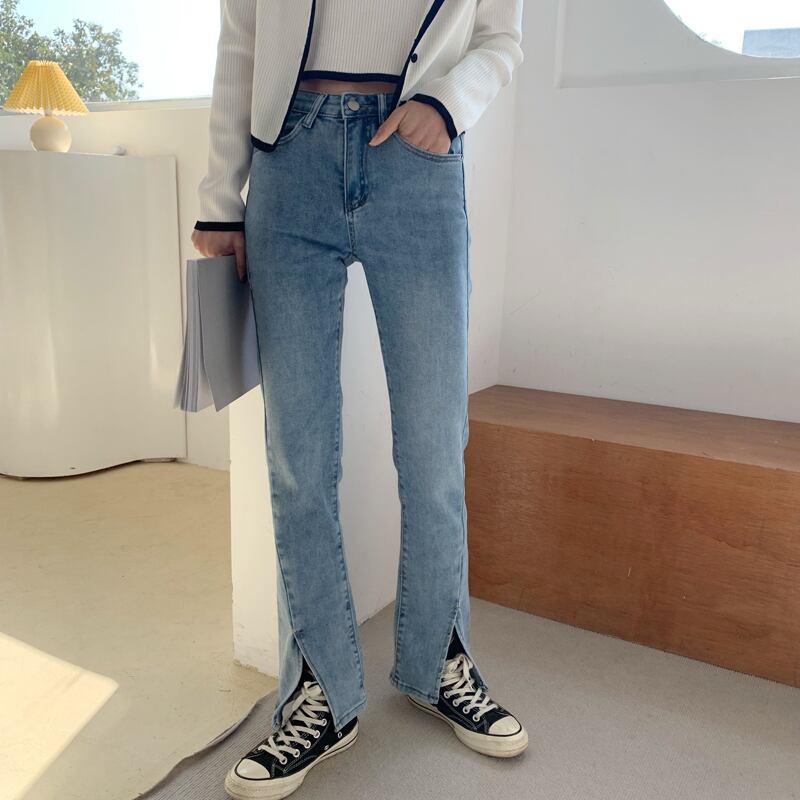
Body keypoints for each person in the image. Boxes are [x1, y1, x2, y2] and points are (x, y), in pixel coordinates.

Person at [191, 2, 526, 797]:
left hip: (418, 158)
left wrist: (448, 103)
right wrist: (220, 194)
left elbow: (500, 37)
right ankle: (319, 690)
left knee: (434, 449)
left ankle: (439, 659)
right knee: (298, 459)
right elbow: (242, 36)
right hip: (289, 159)